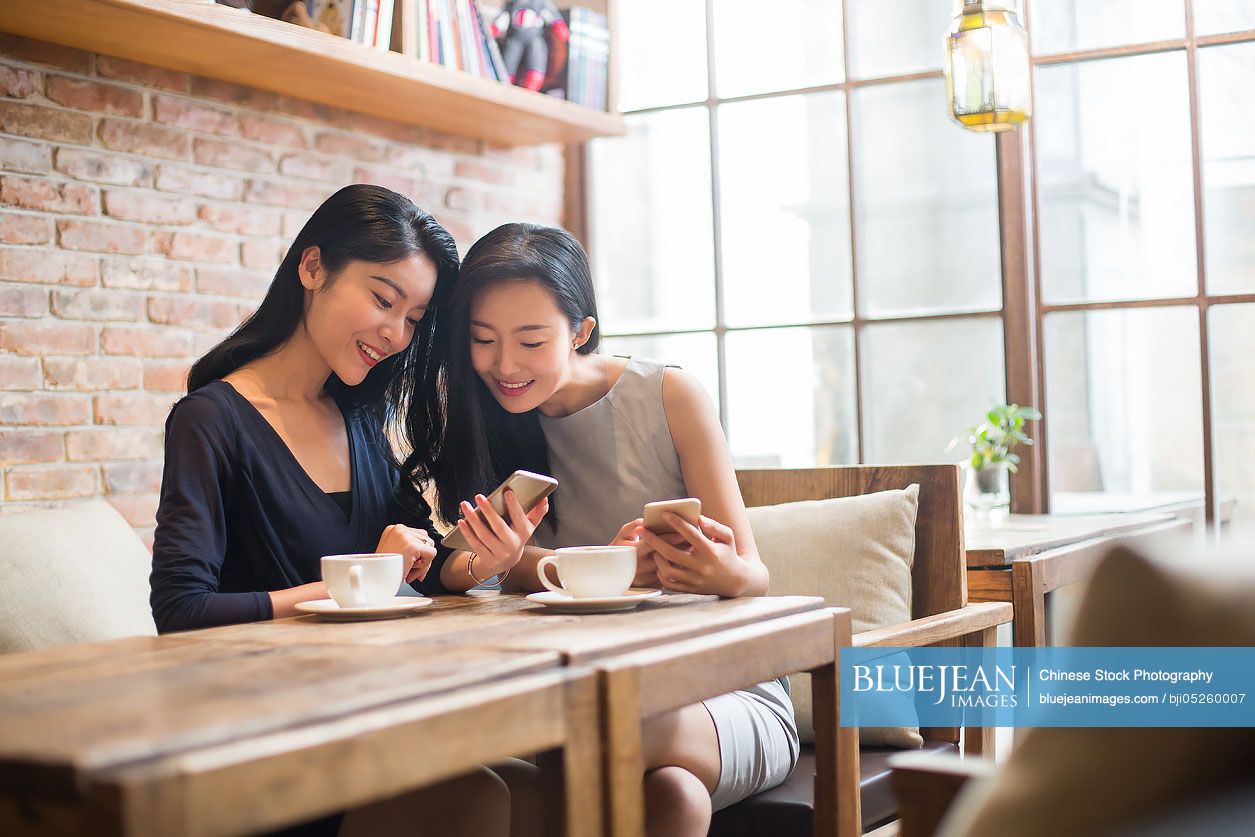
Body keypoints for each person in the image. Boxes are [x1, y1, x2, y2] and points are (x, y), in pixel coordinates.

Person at [149, 185, 544, 837]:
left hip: (359, 715)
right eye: (382, 299)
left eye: (414, 317)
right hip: (259, 741)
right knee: (476, 800)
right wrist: (356, 583)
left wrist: (480, 560)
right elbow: (182, 612)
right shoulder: (211, 421)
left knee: (541, 789)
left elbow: (422, 562)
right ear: (312, 269)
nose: (395, 333)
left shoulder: (354, 418)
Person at [432, 222, 800, 836]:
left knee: (593, 729)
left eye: (530, 340)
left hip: (721, 689)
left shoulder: (667, 394)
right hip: (585, 688)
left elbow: (753, 575)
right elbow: (458, 567)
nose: (504, 365)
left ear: (581, 331)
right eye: (483, 340)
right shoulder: (480, 419)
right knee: (674, 798)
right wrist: (574, 565)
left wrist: (718, 571)